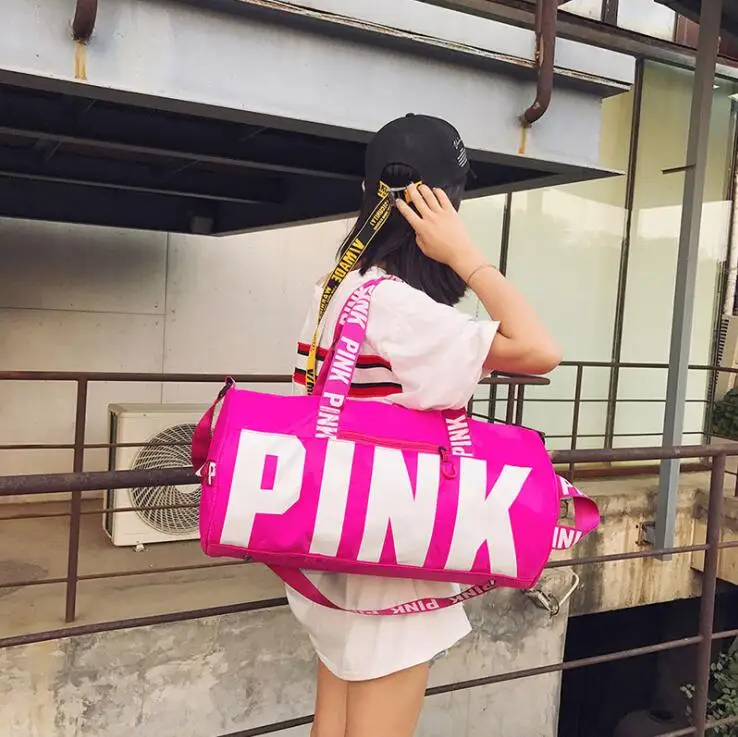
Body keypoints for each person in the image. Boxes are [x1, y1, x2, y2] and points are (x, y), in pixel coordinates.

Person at [290, 114, 562, 737]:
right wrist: (466, 257)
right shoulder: (400, 307)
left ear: (366, 194)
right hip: (392, 541)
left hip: (336, 524)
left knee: (333, 721)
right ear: (442, 210)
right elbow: (539, 349)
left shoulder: (337, 288)